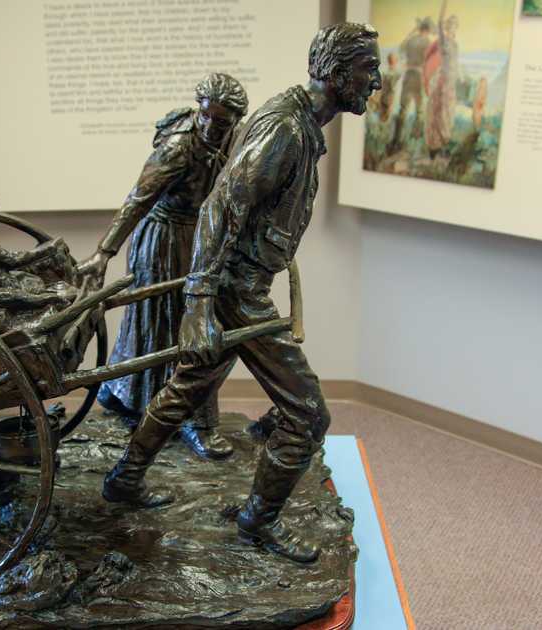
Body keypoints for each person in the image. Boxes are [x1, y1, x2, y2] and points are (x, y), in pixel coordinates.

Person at [101, 22, 381, 564]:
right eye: (368, 70)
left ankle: (123, 478)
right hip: (236, 292)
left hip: (240, 285)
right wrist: (200, 305)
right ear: (336, 71)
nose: (375, 82)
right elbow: (221, 207)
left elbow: (247, 209)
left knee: (185, 389)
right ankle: (258, 521)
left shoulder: (302, 126)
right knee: (308, 414)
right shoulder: (286, 128)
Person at [78, 73, 248, 460]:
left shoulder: (232, 140)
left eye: (221, 122)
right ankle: (190, 419)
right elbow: (137, 200)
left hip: (197, 236)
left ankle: (131, 397)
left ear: (234, 121)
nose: (210, 126)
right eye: (205, 116)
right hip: (164, 239)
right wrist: (104, 252)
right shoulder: (177, 148)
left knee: (178, 325)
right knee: (178, 327)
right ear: (198, 109)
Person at [389, 17, 433, 153]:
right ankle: (415, 141)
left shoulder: (411, 40)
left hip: (409, 75)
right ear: (427, 30)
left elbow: (401, 48)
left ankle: (396, 140)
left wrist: (411, 33)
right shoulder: (427, 42)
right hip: (419, 77)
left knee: (403, 109)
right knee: (419, 110)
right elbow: (430, 62)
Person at [425, 1, 459, 159]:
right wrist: (443, 6)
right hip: (443, 81)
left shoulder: (455, 44)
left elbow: (455, 64)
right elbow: (438, 23)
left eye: (454, 26)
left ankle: (443, 145)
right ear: (447, 27)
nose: (452, 28)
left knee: (448, 114)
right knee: (439, 114)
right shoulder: (444, 41)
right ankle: (435, 148)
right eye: (450, 25)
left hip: (451, 82)